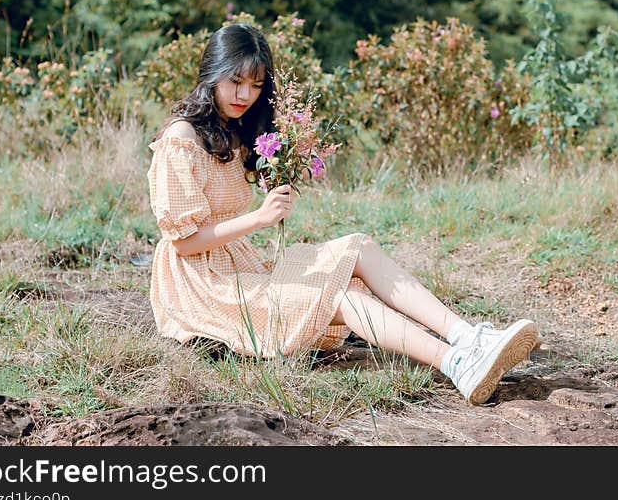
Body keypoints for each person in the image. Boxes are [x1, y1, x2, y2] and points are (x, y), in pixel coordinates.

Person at [147, 22, 540, 405]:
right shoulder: (181, 140)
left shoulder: (235, 129)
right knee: (340, 294)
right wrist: (259, 218)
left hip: (238, 265)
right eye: (236, 81)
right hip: (201, 286)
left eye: (256, 84)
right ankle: (457, 365)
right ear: (212, 75)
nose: (245, 94)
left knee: (359, 248)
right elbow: (183, 243)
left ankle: (467, 338)